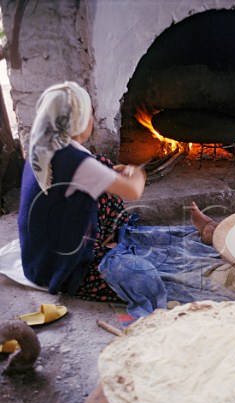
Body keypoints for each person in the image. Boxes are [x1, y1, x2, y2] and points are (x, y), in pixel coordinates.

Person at [17, 81, 147, 301]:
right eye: (90, 115)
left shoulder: (42, 145)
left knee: (103, 163)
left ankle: (106, 240)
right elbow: (133, 192)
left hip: (37, 258)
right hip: (59, 269)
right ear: (79, 121)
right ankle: (97, 254)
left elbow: (88, 175)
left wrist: (109, 173)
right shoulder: (76, 162)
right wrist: (136, 173)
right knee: (142, 278)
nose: (92, 121)